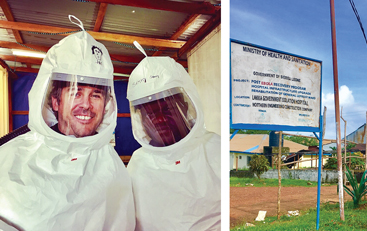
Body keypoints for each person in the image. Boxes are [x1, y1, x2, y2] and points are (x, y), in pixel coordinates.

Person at [0, 16, 135, 231]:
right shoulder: (11, 158)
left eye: (96, 95)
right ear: (55, 100)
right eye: (75, 92)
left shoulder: (112, 165)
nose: (86, 105)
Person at [126, 54, 221, 231]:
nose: (159, 119)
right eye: (150, 113)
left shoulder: (216, 150)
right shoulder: (138, 166)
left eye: (167, 108)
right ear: (141, 118)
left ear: (185, 104)